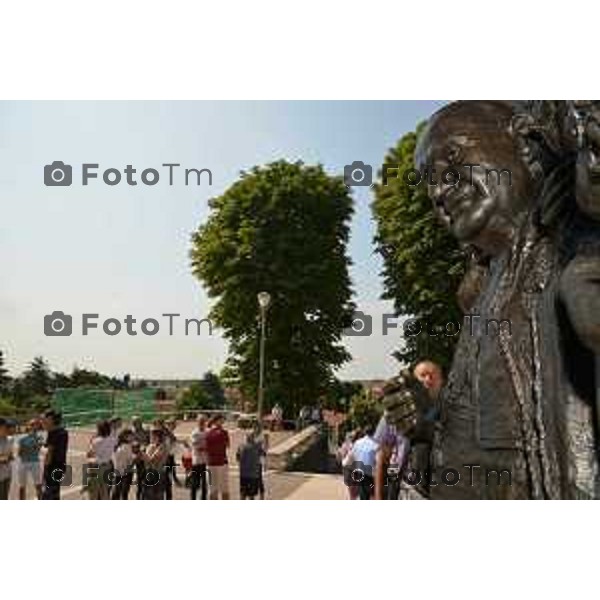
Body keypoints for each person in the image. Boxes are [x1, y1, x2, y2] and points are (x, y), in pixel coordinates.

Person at [41, 410, 68, 500]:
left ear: (51, 419)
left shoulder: (53, 433)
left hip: (52, 467)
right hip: (61, 466)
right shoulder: (63, 432)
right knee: (55, 492)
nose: (43, 421)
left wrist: (45, 470)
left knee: (48, 493)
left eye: (45, 419)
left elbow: (49, 453)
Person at [346, 425, 378, 500]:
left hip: (359, 472)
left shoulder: (358, 442)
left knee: (363, 495)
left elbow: (352, 456)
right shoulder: (376, 444)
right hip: (371, 473)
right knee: (372, 494)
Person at [86, 419, 116, 500]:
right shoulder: (113, 440)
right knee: (104, 490)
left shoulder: (96, 441)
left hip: (96, 467)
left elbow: (89, 454)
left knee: (93, 491)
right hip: (107, 466)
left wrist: (91, 441)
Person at [17, 419, 43, 500]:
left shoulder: (39, 437)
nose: (34, 426)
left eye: (35, 424)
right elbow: (19, 453)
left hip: (35, 462)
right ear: (28, 426)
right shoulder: (22, 438)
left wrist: (35, 443)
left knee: (38, 485)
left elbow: (38, 449)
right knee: (22, 486)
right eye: (32, 424)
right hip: (23, 463)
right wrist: (25, 449)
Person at [205, 415, 230, 500]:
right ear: (217, 421)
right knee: (224, 490)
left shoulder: (207, 433)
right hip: (222, 462)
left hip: (210, 462)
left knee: (212, 490)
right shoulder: (223, 432)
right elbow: (228, 445)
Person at [140, 428, 168, 500]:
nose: (150, 438)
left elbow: (152, 460)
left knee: (156, 495)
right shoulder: (150, 446)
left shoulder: (162, 447)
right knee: (147, 495)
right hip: (149, 472)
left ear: (158, 437)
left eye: (152, 436)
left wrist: (141, 454)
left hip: (157, 473)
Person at [236, 432, 265, 499]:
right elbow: (263, 454)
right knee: (251, 495)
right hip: (253, 474)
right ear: (253, 438)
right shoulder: (257, 446)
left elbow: (238, 458)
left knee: (243, 493)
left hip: (244, 474)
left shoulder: (241, 446)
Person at [189, 415, 208, 500]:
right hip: (196, 461)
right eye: (200, 421)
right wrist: (206, 447)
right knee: (195, 483)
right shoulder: (194, 433)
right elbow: (197, 446)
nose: (202, 423)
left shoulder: (207, 432)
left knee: (205, 484)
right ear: (197, 422)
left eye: (203, 421)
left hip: (205, 461)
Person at [112, 429, 134, 500]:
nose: (133, 437)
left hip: (117, 471)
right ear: (126, 437)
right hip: (126, 472)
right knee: (124, 493)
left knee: (116, 492)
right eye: (131, 436)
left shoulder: (118, 445)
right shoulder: (127, 446)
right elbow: (130, 461)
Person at [131, 416, 149, 500]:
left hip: (145, 455)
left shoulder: (145, 430)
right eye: (134, 423)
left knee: (145, 475)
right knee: (139, 476)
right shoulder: (132, 431)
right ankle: (139, 495)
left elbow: (149, 440)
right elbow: (132, 444)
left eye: (137, 422)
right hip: (138, 457)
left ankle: (144, 493)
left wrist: (145, 446)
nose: (135, 424)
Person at [0, 417, 14, 500]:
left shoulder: (9, 439)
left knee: (5, 497)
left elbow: (10, 455)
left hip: (7, 474)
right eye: (6, 427)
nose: (8, 429)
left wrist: (9, 457)